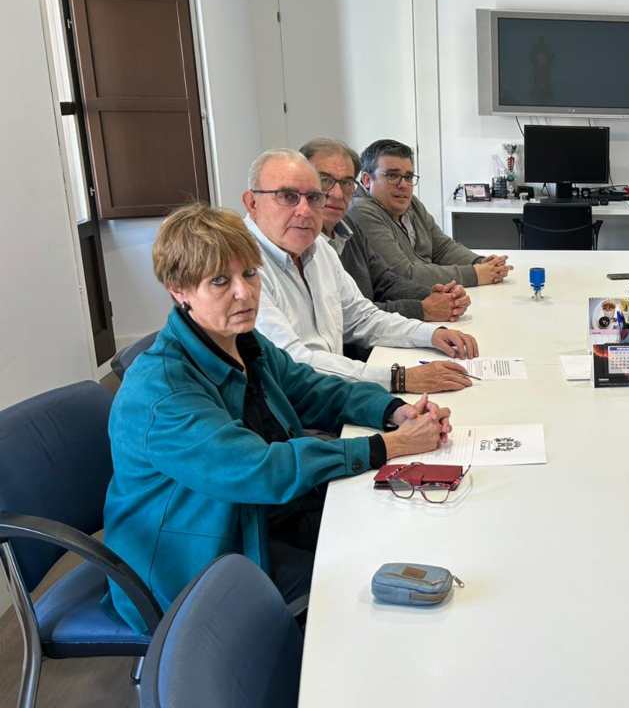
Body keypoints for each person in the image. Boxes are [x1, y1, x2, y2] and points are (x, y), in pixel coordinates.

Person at [103, 203, 455, 632]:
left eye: (250, 274)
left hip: (257, 519)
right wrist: (389, 446)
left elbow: (311, 388)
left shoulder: (242, 340)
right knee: (374, 580)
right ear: (178, 290)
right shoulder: (161, 392)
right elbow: (258, 469)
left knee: (404, 527)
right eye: (220, 281)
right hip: (196, 565)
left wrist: (392, 411)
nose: (244, 293)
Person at [243, 148, 478, 393]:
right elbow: (294, 362)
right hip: (296, 410)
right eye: (288, 196)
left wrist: (430, 334)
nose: (304, 210)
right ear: (252, 203)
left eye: (313, 197)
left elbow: (361, 317)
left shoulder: (318, 248)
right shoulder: (242, 268)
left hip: (336, 393)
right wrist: (399, 378)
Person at [300, 137, 470, 324]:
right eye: (325, 180)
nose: (338, 194)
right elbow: (349, 315)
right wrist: (422, 309)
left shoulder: (347, 227)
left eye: (347, 182)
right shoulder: (303, 245)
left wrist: (438, 295)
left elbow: (384, 281)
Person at [348, 137, 513, 287]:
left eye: (408, 177)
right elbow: (403, 275)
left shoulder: (411, 203)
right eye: (392, 176)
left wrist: (480, 262)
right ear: (367, 180)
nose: (403, 185)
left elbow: (442, 248)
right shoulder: (361, 212)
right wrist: (475, 274)